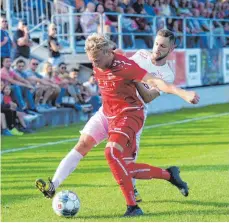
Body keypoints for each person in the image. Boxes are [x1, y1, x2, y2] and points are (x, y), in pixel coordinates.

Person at [36, 31, 199, 216]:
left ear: (171, 49)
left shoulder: (142, 69)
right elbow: (115, 51)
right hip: (106, 112)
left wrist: (184, 94)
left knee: (114, 155)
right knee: (85, 145)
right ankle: (53, 185)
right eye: (156, 43)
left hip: (129, 114)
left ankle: (134, 205)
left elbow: (154, 89)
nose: (94, 64)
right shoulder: (134, 55)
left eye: (163, 46)